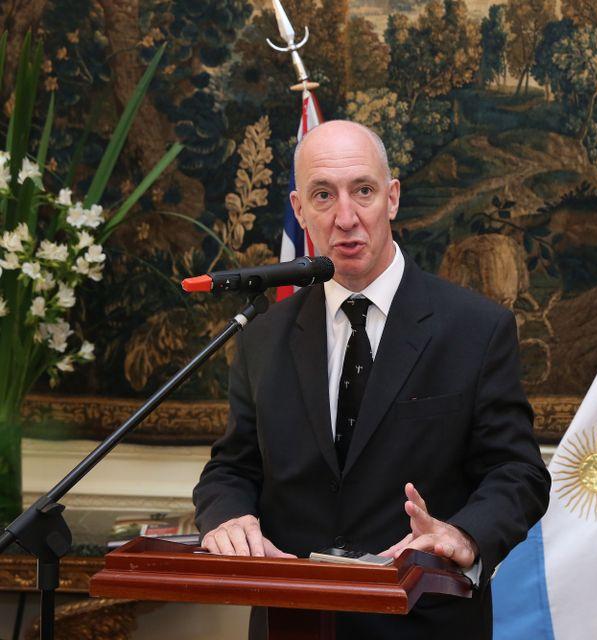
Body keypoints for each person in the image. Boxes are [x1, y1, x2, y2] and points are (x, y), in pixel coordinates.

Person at [192, 120, 551, 639]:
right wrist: (226, 517)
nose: (345, 217)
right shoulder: (262, 337)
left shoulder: (476, 329)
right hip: (294, 621)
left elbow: (518, 473)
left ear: (393, 198)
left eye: (363, 190)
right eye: (323, 195)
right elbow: (231, 468)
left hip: (424, 622)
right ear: (299, 210)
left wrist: (462, 535)